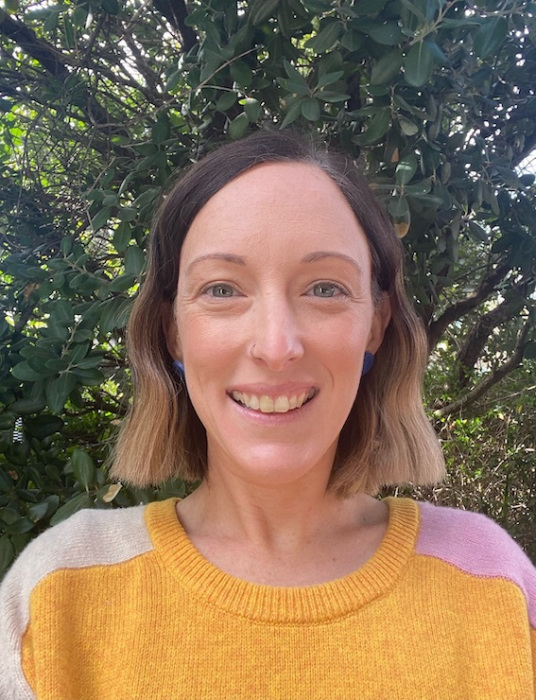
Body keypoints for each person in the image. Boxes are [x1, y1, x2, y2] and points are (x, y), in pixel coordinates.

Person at [1, 130, 534, 700]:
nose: (276, 346)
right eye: (222, 289)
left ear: (375, 326)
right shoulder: (60, 591)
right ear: (172, 331)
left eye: (324, 288)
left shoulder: (491, 582)